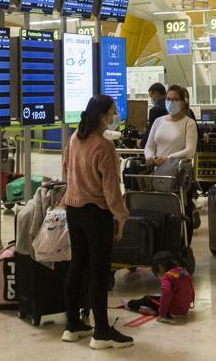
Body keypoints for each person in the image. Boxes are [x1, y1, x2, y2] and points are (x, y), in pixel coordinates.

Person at [61, 95, 132, 349]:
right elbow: (111, 190)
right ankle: (101, 331)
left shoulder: (74, 138)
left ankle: (72, 325)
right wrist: (121, 215)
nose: (114, 117)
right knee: (99, 271)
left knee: (77, 264)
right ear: (102, 116)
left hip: (73, 209)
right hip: (96, 214)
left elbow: (66, 169)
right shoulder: (103, 146)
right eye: (112, 112)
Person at [121, 251, 195, 324]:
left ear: (160, 267)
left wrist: (162, 315)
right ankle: (154, 309)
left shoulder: (167, 277)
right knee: (158, 297)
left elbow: (166, 294)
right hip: (185, 309)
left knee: (147, 299)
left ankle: (129, 304)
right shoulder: (183, 271)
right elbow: (191, 288)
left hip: (173, 311)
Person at [144, 85, 199, 167]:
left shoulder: (189, 123)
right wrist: (150, 157)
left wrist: (168, 158)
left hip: (177, 169)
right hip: (157, 169)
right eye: (168, 99)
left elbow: (190, 151)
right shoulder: (158, 121)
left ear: (183, 103)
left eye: (175, 99)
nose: (171, 102)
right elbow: (149, 146)